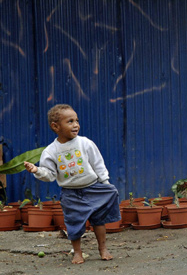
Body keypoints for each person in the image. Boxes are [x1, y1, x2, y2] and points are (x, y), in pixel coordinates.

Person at [24, 104, 120, 264]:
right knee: (73, 223)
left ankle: (103, 248)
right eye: (70, 121)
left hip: (93, 187)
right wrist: (37, 170)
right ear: (56, 126)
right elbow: (50, 175)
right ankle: (77, 252)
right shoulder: (50, 151)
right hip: (70, 193)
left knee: (99, 220)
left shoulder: (85, 143)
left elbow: (98, 164)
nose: (76, 125)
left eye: (76, 120)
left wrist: (105, 182)